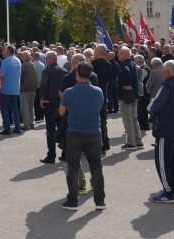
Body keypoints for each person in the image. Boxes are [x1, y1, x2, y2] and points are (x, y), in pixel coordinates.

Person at [58, 60, 106, 211]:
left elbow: (61, 112)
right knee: (96, 167)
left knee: (72, 168)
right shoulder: (98, 91)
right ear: (90, 75)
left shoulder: (69, 92)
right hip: (94, 132)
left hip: (74, 132)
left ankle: (73, 201)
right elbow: (98, 107)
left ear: (77, 74)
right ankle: (100, 201)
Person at [148, 60, 174, 203]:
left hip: (166, 130)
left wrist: (151, 106)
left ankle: (169, 193)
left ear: (167, 71)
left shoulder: (166, 86)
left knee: (163, 163)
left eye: (163, 70)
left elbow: (153, 107)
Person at [39, 52, 65, 163]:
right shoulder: (64, 71)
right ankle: (65, 153)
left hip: (50, 102)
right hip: (61, 102)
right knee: (62, 128)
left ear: (50, 59)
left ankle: (51, 155)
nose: (45, 60)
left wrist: (42, 98)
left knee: (50, 130)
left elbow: (43, 85)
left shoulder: (47, 71)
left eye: (46, 58)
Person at [116, 46, 142, 150]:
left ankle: (131, 142)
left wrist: (125, 85)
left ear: (125, 54)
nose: (118, 54)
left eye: (120, 52)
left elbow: (126, 72)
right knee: (134, 118)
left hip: (126, 96)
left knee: (128, 119)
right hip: (134, 95)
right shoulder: (133, 64)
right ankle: (138, 141)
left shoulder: (124, 65)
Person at [0, 45, 23, 135]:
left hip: (6, 88)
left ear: (8, 51)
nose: (4, 52)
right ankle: (17, 127)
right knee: (15, 108)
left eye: (5, 50)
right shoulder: (18, 60)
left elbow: (1, 76)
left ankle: (7, 128)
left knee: (4, 109)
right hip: (15, 88)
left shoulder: (5, 61)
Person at [18, 50, 38, 133]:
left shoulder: (24, 65)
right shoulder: (32, 64)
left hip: (24, 88)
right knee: (30, 106)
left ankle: (26, 125)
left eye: (22, 56)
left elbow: (20, 77)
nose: (21, 57)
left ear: (24, 57)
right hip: (32, 88)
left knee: (24, 107)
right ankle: (31, 122)